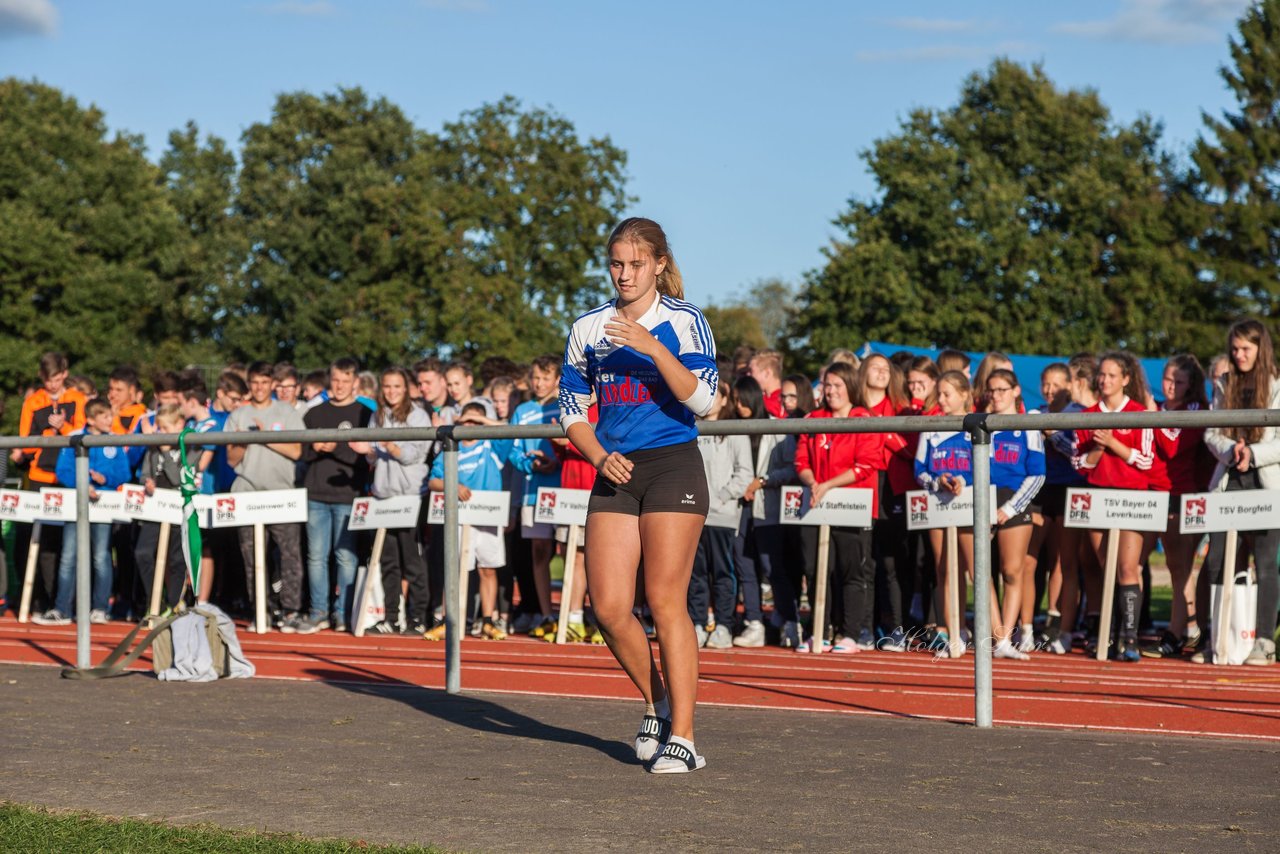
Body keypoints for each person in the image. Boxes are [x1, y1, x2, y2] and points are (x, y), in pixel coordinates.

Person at [560, 216, 717, 773]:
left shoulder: (685, 321)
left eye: (635, 264)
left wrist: (651, 347)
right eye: (616, 264)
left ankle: (686, 738)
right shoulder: (588, 327)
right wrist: (599, 455)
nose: (624, 274)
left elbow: (704, 402)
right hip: (616, 468)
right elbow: (572, 411)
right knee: (607, 606)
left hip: (673, 465)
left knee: (665, 598)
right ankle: (656, 701)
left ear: (659, 265)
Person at [1202, 320, 1280, 666]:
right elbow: (1210, 432)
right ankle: (1216, 636)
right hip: (1228, 480)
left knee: (1265, 564)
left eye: (1246, 348)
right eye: (1234, 349)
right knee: (1217, 560)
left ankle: (1263, 640)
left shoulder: (1277, 383)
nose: (1239, 355)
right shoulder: (1224, 383)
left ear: (1261, 348)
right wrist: (1232, 449)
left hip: (1265, 482)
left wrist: (1254, 454)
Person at [794, 362, 884, 654]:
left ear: (850, 388)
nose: (831, 391)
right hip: (816, 503)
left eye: (837, 385)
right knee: (816, 568)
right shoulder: (814, 418)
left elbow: (867, 463)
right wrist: (814, 483)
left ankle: (850, 633)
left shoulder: (863, 418)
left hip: (853, 505)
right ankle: (819, 630)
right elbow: (801, 462)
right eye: (827, 385)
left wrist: (829, 484)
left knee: (851, 570)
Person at [1073, 351, 1154, 662]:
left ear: (1126, 379)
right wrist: (1097, 445)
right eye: (1101, 375)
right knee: (1106, 568)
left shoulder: (1139, 413)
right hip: (1097, 498)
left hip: (1131, 499)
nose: (1104, 380)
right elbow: (1080, 463)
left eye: (1111, 375)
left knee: (1127, 568)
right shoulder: (1087, 415)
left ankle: (1130, 638)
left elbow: (1145, 460)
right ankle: (1107, 632)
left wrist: (1115, 444)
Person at [34, 399, 132, 625]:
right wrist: (83, 483)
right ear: (91, 419)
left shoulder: (115, 441)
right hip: (77, 504)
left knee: (101, 557)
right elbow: (64, 470)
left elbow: (124, 472)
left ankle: (99, 608)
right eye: (105, 416)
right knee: (68, 556)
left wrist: (105, 480)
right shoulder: (76, 437)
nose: (110, 420)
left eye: (110, 416)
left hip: (103, 506)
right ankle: (62, 609)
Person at [226, 361, 307, 633]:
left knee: (289, 555)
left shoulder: (287, 412)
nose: (259, 388)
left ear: (273, 384)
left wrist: (264, 437)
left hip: (282, 493)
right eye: (255, 382)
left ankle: (291, 610)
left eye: (264, 382)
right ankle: (260, 610)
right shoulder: (238, 415)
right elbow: (231, 459)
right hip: (248, 494)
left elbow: (297, 452)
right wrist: (244, 442)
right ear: (249, 385)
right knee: (253, 557)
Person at [1143, 354, 1214, 658]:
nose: (1170, 386)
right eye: (1167, 379)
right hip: (1151, 494)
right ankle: (1183, 629)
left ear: (1191, 384)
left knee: (1180, 567)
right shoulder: (1157, 407)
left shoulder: (1197, 409)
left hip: (1183, 494)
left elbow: (1172, 446)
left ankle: (1180, 631)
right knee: (1165, 566)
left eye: (1178, 381)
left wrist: (1149, 414)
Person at [425, 400, 513, 641]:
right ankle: (448, 619)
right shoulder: (451, 447)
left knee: (488, 569)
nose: (471, 425)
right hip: (460, 517)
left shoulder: (491, 446)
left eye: (477, 421)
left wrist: (484, 421)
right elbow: (433, 481)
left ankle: (487, 621)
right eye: (467, 420)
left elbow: (507, 430)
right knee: (455, 569)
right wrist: (454, 485)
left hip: (488, 515)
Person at [302, 357, 374, 633]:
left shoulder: (364, 414)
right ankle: (318, 611)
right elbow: (302, 454)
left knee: (345, 556)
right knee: (316, 556)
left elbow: (367, 455)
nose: (340, 385)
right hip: (316, 494)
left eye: (346, 380)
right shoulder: (314, 413)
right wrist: (316, 447)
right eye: (336, 380)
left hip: (348, 494)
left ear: (355, 382)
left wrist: (336, 449)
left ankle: (344, 611)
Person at [360, 367, 431, 635]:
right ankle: (391, 616)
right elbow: (372, 456)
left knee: (412, 560)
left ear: (406, 389)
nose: (391, 392)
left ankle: (419, 617)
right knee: (388, 561)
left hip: (410, 495)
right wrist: (367, 451)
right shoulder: (377, 415)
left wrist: (390, 446)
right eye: (387, 387)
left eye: (397, 387)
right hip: (383, 495)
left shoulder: (418, 415)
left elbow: (416, 453)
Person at [984, 368, 1045, 660]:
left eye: (1002, 390)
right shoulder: (982, 424)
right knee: (981, 571)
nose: (996, 396)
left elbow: (1037, 474)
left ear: (1016, 391)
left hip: (1015, 502)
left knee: (1012, 571)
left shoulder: (1028, 424)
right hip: (984, 499)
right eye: (991, 390)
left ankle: (1008, 635)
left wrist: (1010, 508)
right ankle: (999, 637)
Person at [732, 375, 797, 647]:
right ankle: (754, 621)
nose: (738, 405)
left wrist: (762, 481)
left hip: (767, 507)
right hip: (737, 506)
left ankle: (789, 620)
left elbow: (792, 468)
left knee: (772, 567)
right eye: (734, 400)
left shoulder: (775, 429)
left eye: (741, 399)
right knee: (743, 564)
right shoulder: (734, 427)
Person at [915, 371, 976, 655]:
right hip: (938, 506)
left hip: (967, 505)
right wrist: (938, 480)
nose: (941, 399)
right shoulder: (932, 427)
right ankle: (953, 631)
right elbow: (919, 470)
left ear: (964, 394)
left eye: (947, 394)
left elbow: (985, 466)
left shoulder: (976, 425)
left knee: (972, 570)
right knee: (944, 569)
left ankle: (989, 633)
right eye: (938, 393)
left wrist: (964, 481)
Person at [689, 380, 753, 648]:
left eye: (715, 393)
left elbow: (744, 474)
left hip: (723, 516)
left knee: (723, 573)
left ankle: (724, 625)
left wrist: (720, 497)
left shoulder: (736, 432)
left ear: (726, 399)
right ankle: (697, 623)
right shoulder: (689, 428)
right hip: (693, 514)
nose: (711, 398)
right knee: (695, 573)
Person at [1038, 358, 1094, 655]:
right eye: (1045, 384)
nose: (1049, 390)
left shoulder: (1079, 413)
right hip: (1041, 489)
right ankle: (1030, 623)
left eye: (1056, 384)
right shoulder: (1036, 414)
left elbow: (1078, 452)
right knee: (1032, 559)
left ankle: (1063, 625)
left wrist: (1053, 435)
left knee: (1066, 561)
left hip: (1072, 488)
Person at [509, 355, 563, 637]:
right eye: (535, 377)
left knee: (572, 552)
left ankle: (573, 613)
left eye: (545, 377)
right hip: (533, 494)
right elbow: (514, 451)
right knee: (540, 553)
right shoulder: (522, 410)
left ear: (556, 380)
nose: (539, 383)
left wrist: (558, 461)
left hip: (565, 490)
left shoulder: (565, 405)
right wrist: (532, 464)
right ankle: (546, 615)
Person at [134, 404, 200, 611]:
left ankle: (173, 603)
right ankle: (156, 598)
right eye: (159, 429)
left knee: (177, 559)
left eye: (164, 428)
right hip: (155, 508)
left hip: (178, 508)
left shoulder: (191, 447)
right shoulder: (154, 448)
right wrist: (147, 481)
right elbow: (145, 472)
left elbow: (179, 478)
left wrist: (165, 451)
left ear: (179, 425)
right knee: (142, 553)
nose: (160, 433)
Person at [748, 349, 785, 418]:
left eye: (751, 371)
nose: (748, 375)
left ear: (767, 373)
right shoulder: (760, 397)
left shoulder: (785, 401)